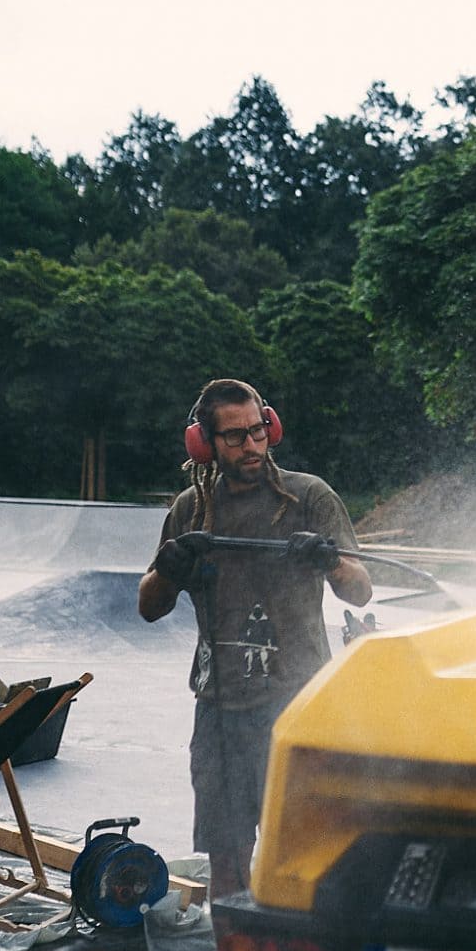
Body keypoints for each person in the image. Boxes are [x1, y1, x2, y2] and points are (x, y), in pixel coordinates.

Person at [139, 378, 371, 896]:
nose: (252, 446)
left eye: (259, 431)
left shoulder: (309, 497)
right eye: (236, 437)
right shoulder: (190, 511)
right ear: (205, 443)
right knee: (227, 862)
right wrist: (170, 570)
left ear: (272, 426)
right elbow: (149, 606)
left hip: (298, 706)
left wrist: (330, 560)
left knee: (302, 858)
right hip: (220, 712)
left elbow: (360, 590)